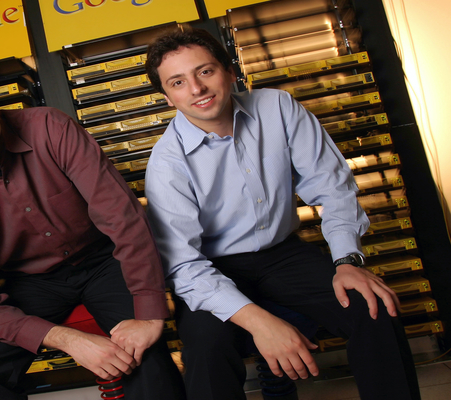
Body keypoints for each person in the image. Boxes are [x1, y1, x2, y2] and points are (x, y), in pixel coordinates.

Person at [143, 28, 421, 400]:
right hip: (211, 267)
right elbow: (184, 266)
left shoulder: (277, 107)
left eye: (205, 72)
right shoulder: (166, 162)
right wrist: (262, 323)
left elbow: (333, 185)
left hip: (283, 254)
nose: (196, 89)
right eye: (178, 82)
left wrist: (347, 260)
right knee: (206, 349)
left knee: (371, 307)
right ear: (167, 97)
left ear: (229, 71)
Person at [0, 62, 185, 400]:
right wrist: (67, 339)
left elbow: (122, 217)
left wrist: (149, 315)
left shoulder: (50, 127)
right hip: (32, 283)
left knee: (142, 354)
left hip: (106, 260)